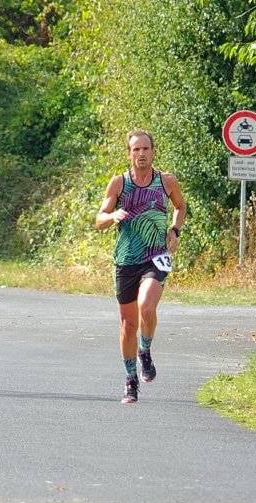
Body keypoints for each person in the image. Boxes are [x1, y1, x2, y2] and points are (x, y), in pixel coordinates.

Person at [95, 129, 186, 404]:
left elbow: (180, 207)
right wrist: (112, 215)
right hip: (125, 260)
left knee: (147, 306)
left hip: (155, 256)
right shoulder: (119, 184)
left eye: (146, 149)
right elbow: (99, 218)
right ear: (129, 154)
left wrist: (175, 231)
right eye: (136, 150)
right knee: (127, 324)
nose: (141, 154)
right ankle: (130, 380)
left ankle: (145, 350)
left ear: (153, 152)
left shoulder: (166, 181)